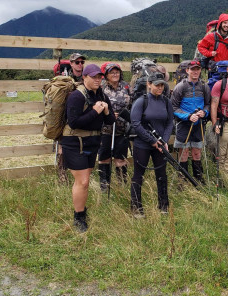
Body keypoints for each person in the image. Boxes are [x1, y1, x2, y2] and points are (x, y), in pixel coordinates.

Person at [60, 64, 115, 232]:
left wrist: (105, 112)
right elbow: (74, 122)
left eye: (100, 76)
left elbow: (111, 120)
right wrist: (95, 111)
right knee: (83, 181)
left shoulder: (102, 95)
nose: (98, 79)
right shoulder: (76, 96)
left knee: (86, 178)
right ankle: (79, 217)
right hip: (74, 142)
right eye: (94, 77)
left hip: (93, 141)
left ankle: (82, 210)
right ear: (84, 78)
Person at [130, 72, 174, 217]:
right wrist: (152, 141)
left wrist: (164, 140)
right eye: (157, 85)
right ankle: (136, 208)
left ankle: (163, 206)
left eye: (162, 85)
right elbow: (136, 123)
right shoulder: (141, 101)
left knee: (161, 175)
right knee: (138, 175)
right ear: (149, 84)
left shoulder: (166, 102)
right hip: (142, 144)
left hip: (160, 145)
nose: (160, 88)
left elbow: (169, 122)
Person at [171, 60, 211, 184]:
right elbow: (173, 108)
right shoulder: (180, 87)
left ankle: (198, 180)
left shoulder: (204, 86)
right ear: (187, 70)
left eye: (197, 69)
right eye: (192, 69)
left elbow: (208, 104)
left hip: (198, 124)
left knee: (197, 151)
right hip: (184, 124)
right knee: (183, 152)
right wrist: (188, 116)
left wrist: (204, 113)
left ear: (200, 70)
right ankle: (182, 181)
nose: (195, 71)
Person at [98, 63, 131, 191]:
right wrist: (109, 113)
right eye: (112, 72)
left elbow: (132, 104)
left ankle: (122, 185)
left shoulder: (126, 86)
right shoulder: (101, 88)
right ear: (106, 75)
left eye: (117, 72)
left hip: (122, 129)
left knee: (121, 159)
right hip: (105, 129)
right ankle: (104, 186)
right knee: (104, 158)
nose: (115, 74)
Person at [56, 53, 86, 184]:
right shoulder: (65, 78)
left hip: (82, 116)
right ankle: (62, 176)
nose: (80, 64)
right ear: (71, 64)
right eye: (77, 62)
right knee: (62, 148)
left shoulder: (87, 77)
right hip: (65, 117)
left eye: (81, 62)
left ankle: (79, 175)